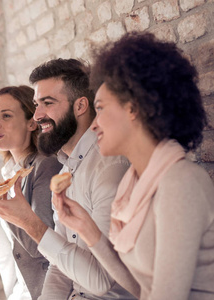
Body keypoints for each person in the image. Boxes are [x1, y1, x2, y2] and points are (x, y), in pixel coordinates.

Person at [53, 32, 214, 300]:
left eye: (101, 109)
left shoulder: (180, 182)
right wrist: (88, 230)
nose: (94, 124)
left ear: (133, 108)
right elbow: (142, 291)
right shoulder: (134, 183)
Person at [0, 59, 137, 299]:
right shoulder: (64, 173)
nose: (38, 115)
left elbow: (101, 281)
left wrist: (30, 223)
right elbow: (60, 267)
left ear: (80, 106)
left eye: (48, 103)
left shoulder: (109, 169)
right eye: (36, 104)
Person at [0, 85, 62, 299]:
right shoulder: (9, 171)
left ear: (31, 122)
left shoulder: (46, 167)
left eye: (6, 116)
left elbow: (40, 248)